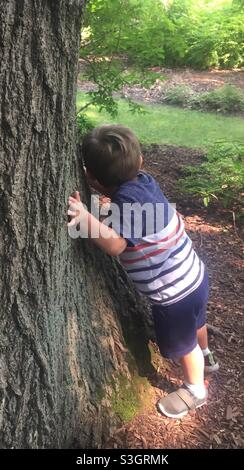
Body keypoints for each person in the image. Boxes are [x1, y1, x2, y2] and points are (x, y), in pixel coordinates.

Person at [67, 124, 219, 419]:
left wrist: (85, 218)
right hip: (195, 277)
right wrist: (112, 208)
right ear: (140, 162)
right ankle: (207, 356)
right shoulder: (144, 183)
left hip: (173, 296)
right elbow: (136, 214)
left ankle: (195, 389)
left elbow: (115, 245)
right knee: (197, 322)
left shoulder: (126, 204)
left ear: (90, 178)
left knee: (183, 344)